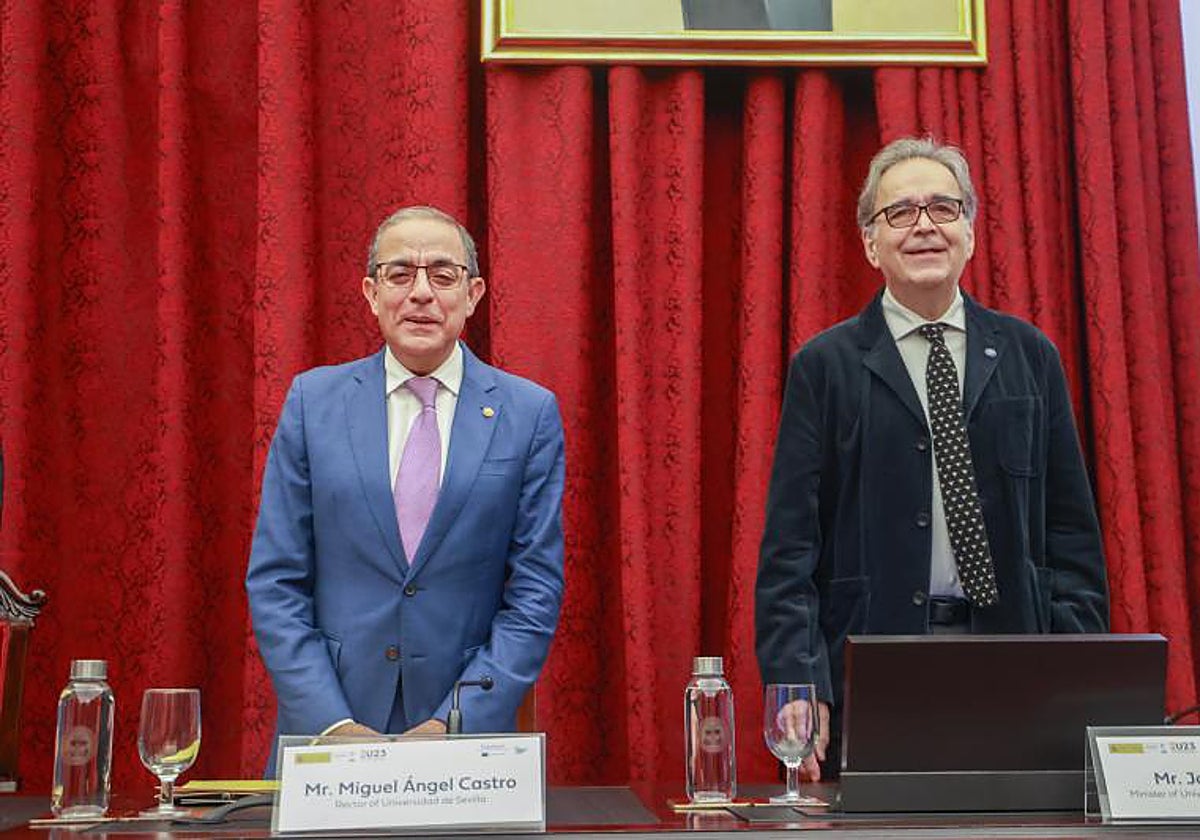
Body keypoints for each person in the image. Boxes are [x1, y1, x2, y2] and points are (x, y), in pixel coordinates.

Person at [755, 137, 1109, 780]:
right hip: (872, 659)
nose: (924, 226)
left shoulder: (1030, 354)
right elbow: (789, 552)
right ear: (870, 243)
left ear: (969, 233)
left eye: (943, 209)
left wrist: (1076, 671)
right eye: (900, 213)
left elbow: (1072, 540)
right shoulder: (825, 366)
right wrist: (796, 687)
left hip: (1015, 658)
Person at [246, 205, 565, 771]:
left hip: (468, 743)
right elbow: (276, 582)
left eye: (442, 275)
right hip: (329, 736)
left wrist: (454, 723)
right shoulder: (312, 403)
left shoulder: (528, 413)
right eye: (400, 274)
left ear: (473, 295)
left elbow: (535, 591)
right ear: (371, 293)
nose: (421, 293)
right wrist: (331, 723)